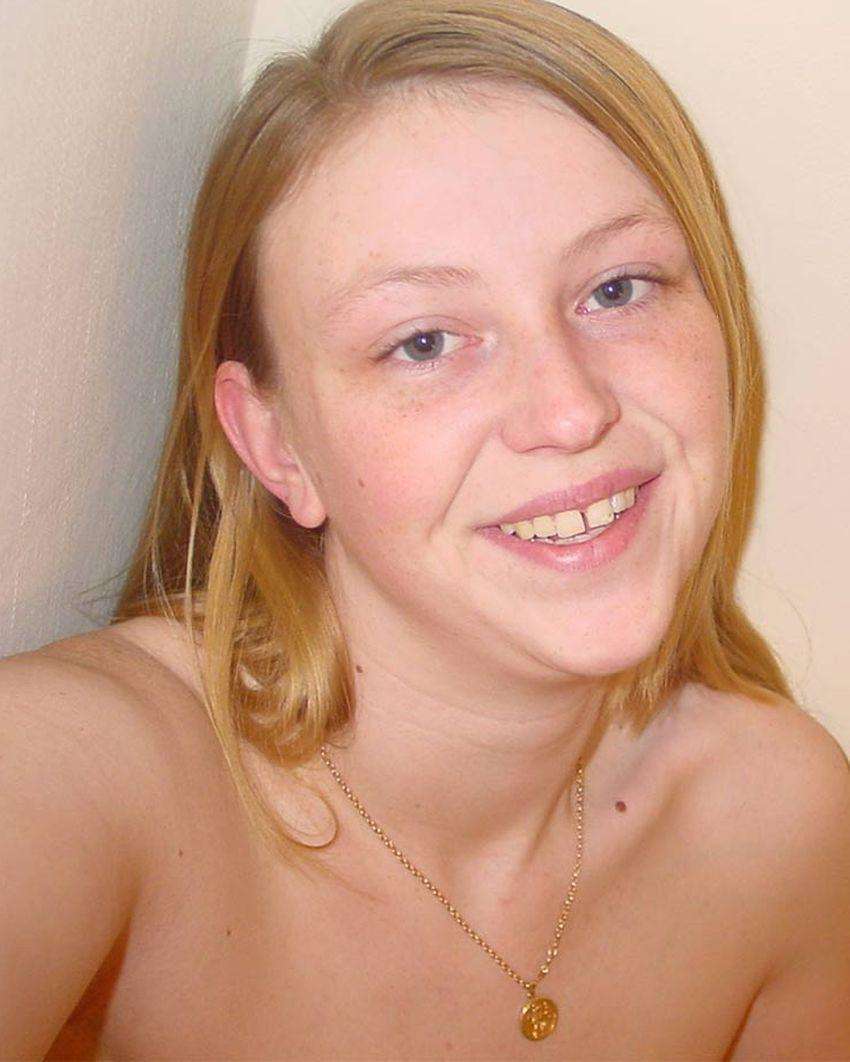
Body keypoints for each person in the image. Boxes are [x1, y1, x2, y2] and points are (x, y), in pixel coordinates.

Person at [2, 0, 849, 1057]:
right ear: (275, 445)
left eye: (616, 288)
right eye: (424, 342)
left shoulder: (780, 823)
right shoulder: (80, 775)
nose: (570, 411)